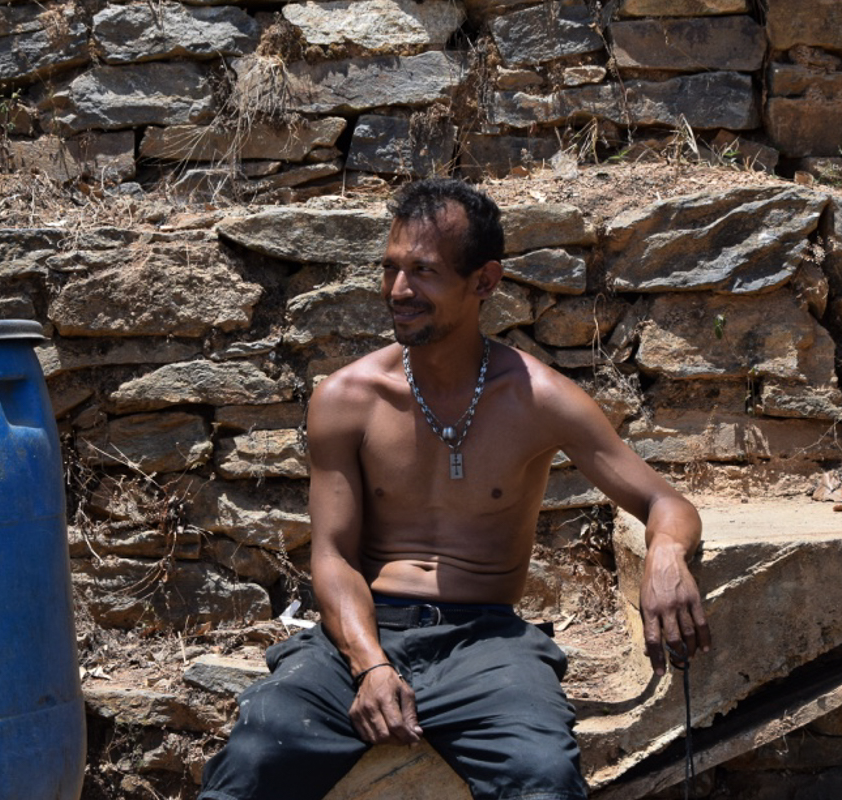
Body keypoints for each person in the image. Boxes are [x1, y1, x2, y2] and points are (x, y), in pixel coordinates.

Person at [197, 178, 711, 800]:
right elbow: (331, 555)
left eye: (423, 272)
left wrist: (663, 553)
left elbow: (666, 503)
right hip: (362, 632)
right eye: (390, 269)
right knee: (254, 758)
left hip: (485, 642)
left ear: (485, 282)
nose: (397, 291)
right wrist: (371, 664)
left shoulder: (538, 398)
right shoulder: (348, 399)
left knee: (543, 778)